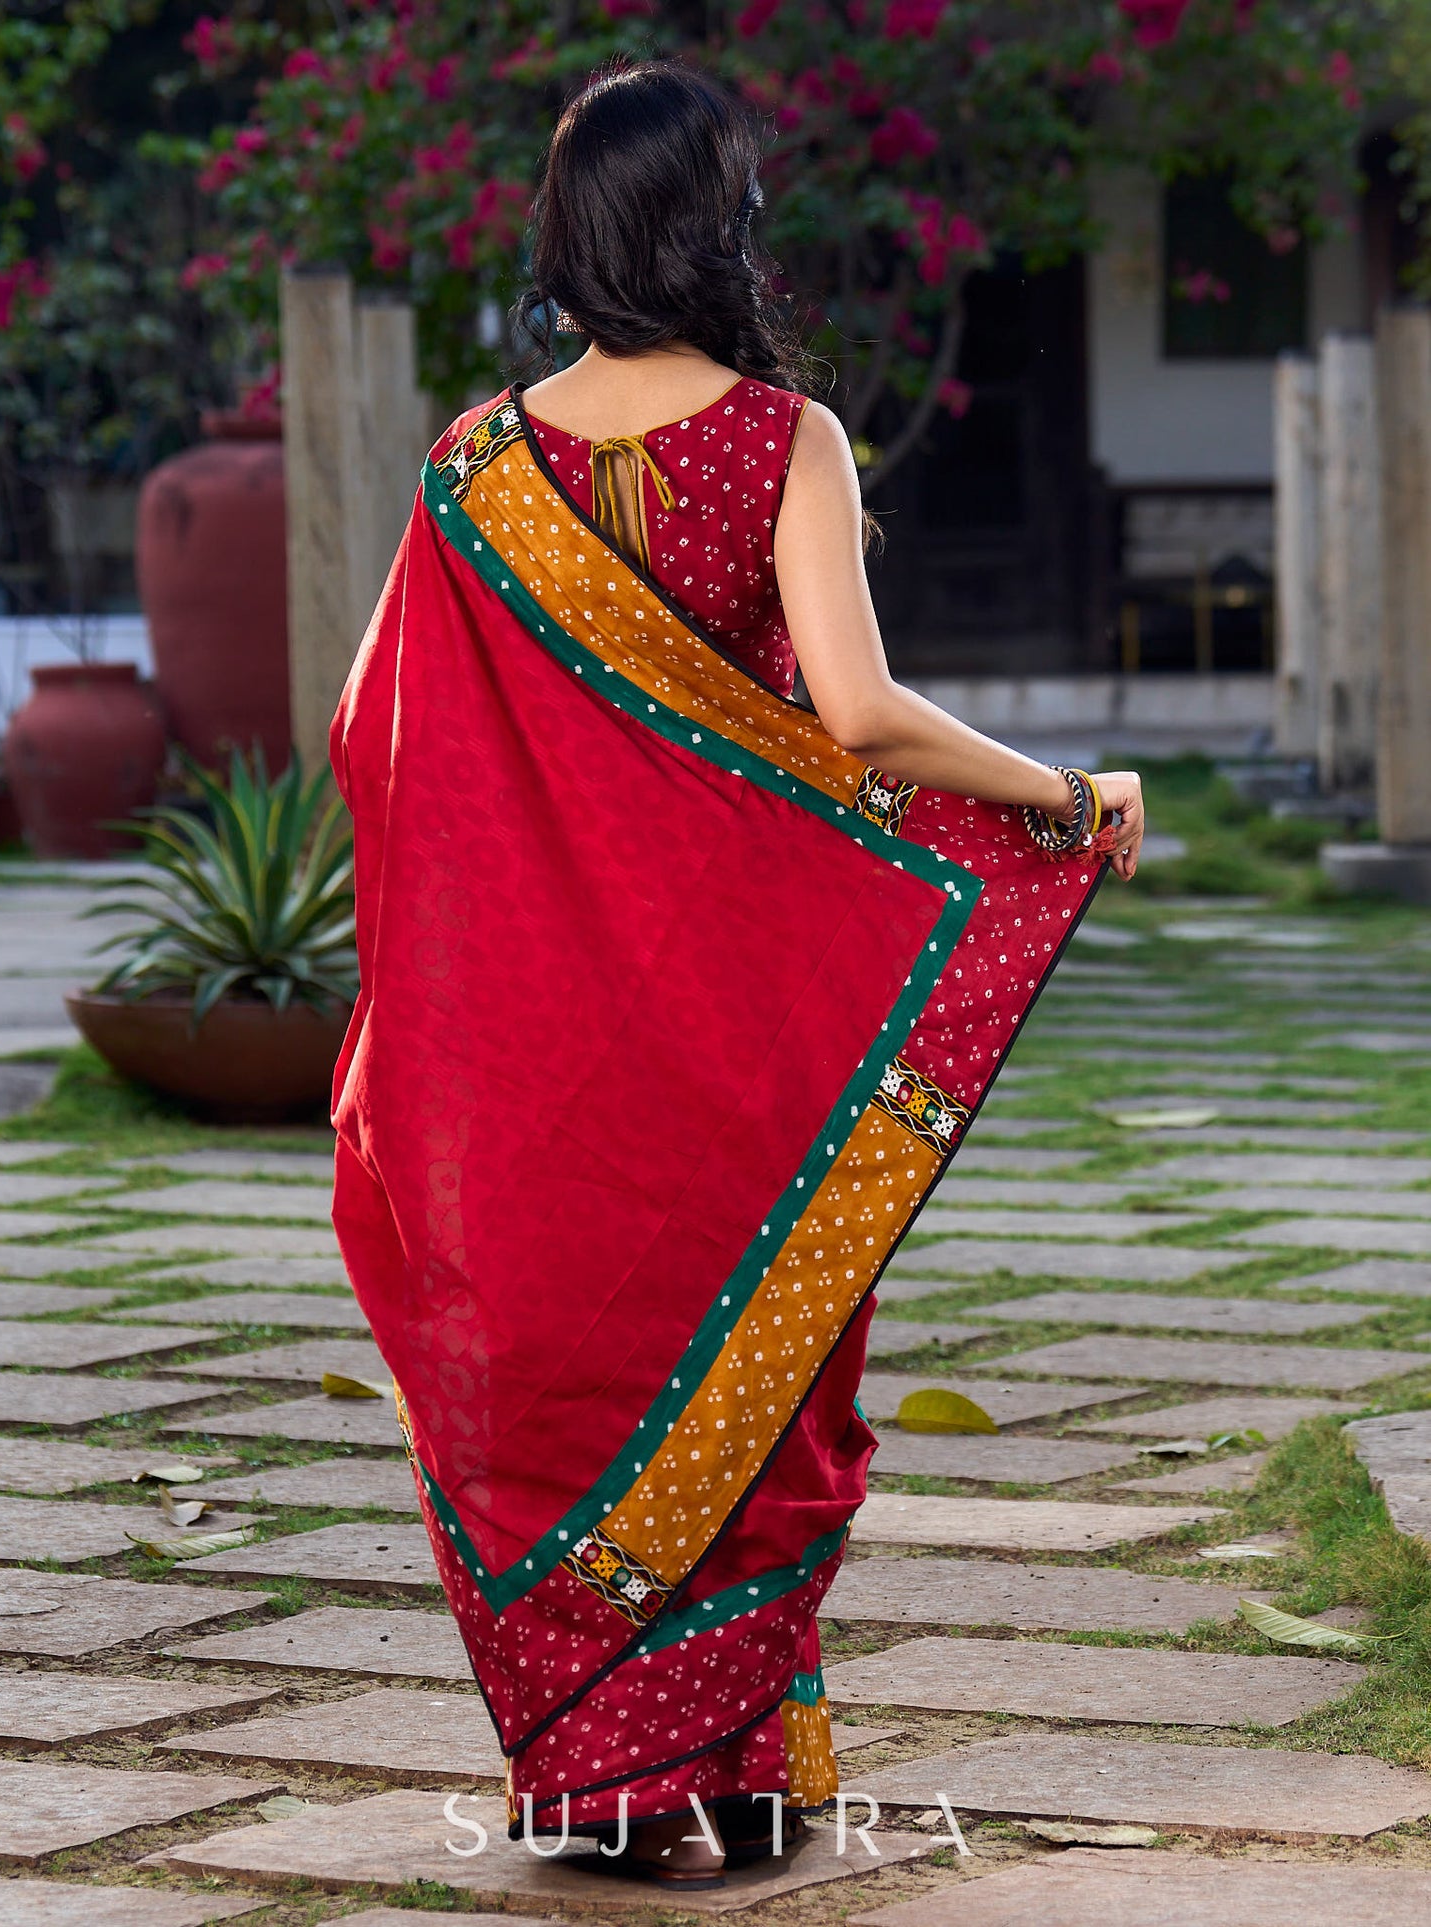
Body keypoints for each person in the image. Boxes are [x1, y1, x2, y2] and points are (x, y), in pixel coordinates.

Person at [329, 56, 1142, 1892]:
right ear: (720, 226)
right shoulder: (780, 439)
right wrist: (1067, 795)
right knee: (757, 1383)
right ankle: (732, 1768)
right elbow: (858, 721)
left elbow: (375, 738)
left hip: (533, 1031)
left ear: (563, 234)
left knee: (577, 1379)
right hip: (742, 1023)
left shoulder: (474, 466)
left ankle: (624, 1785)